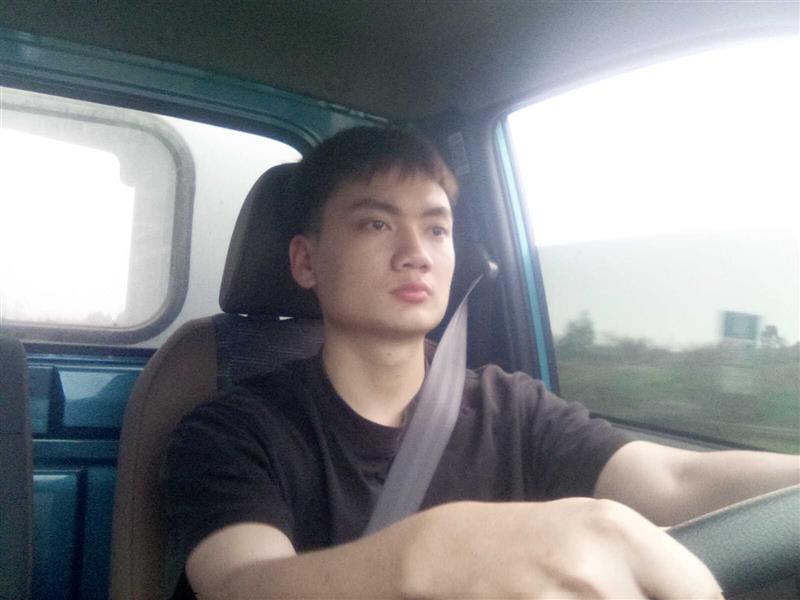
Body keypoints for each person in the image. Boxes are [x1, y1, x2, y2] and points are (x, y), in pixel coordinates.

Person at [161, 127, 799, 600]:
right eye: (376, 225)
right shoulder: (233, 430)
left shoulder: (512, 408)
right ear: (305, 261)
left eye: (437, 229)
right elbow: (242, 584)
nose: (417, 252)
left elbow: (677, 479)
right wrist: (425, 556)